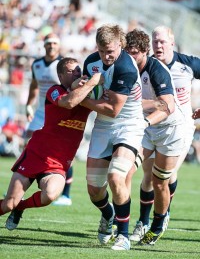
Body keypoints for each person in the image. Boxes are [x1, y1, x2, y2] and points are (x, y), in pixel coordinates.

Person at [0, 57, 103, 230]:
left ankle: (21, 208)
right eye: (72, 71)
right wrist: (92, 82)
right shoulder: (54, 91)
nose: (77, 73)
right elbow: (69, 102)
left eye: (79, 70)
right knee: (8, 204)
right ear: (61, 76)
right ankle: (14, 207)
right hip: (36, 154)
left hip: (57, 163)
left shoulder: (86, 94)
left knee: (50, 195)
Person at [129, 26, 200, 244]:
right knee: (146, 176)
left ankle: (161, 217)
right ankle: (142, 222)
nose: (158, 45)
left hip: (181, 127)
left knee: (164, 176)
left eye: (162, 41)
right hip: (150, 126)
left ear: (172, 42)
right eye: (155, 41)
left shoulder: (188, 64)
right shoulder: (144, 64)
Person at [78, 24, 146, 251]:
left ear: (120, 45)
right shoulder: (91, 62)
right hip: (102, 127)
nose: (106, 56)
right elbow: (88, 92)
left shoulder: (126, 67)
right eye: (102, 50)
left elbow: (113, 109)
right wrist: (81, 87)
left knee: (117, 177)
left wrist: (82, 99)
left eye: (111, 51)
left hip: (128, 125)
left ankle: (123, 236)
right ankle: (108, 215)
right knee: (94, 189)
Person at [25, 32, 73, 206]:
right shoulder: (37, 64)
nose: (51, 46)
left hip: (57, 111)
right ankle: (21, 185)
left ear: (58, 45)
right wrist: (28, 105)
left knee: (61, 152)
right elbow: (33, 86)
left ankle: (66, 195)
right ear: (44, 45)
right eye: (48, 43)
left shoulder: (64, 65)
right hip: (40, 111)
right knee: (29, 143)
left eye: (54, 43)